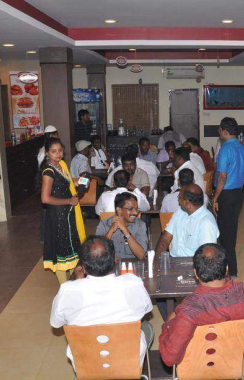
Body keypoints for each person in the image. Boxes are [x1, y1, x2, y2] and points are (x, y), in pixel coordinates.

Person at [50, 236, 153, 371]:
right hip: (128, 365)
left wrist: (77, 283)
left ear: (83, 266)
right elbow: (147, 309)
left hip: (87, 366)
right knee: (147, 327)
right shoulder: (133, 283)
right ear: (115, 259)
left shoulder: (67, 290)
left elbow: (56, 323)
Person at [159, 244, 244, 367]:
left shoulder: (189, 310)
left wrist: (168, 325)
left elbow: (169, 358)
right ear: (226, 269)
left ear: (196, 273)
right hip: (232, 358)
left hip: (196, 365)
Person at [40, 139, 86, 283]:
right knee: (62, 251)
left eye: (60, 150)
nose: (58, 154)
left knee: (71, 248)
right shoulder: (48, 172)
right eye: (53, 151)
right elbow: (45, 199)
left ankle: (75, 283)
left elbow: (66, 183)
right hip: (58, 215)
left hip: (67, 213)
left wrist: (80, 181)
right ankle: (65, 287)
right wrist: (68, 201)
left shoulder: (61, 165)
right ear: (47, 153)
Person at [213, 117, 244, 278]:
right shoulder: (242, 148)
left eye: (220, 130)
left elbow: (222, 177)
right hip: (237, 193)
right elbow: (243, 173)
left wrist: (215, 198)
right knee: (231, 230)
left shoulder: (225, 149)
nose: (219, 132)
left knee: (225, 233)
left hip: (225, 194)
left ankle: (230, 270)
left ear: (225, 131)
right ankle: (231, 268)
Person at [155, 184, 219, 258]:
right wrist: (156, 260)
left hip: (192, 262)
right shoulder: (180, 212)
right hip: (173, 259)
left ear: (187, 202)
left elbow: (206, 256)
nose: (178, 200)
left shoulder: (206, 223)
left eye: (179, 198)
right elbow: (166, 238)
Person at [95, 193, 148, 259]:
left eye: (136, 209)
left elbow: (141, 255)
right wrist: (111, 231)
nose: (135, 212)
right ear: (119, 210)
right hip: (110, 264)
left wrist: (126, 231)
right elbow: (96, 253)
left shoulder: (140, 225)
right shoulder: (104, 224)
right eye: (130, 209)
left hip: (132, 264)